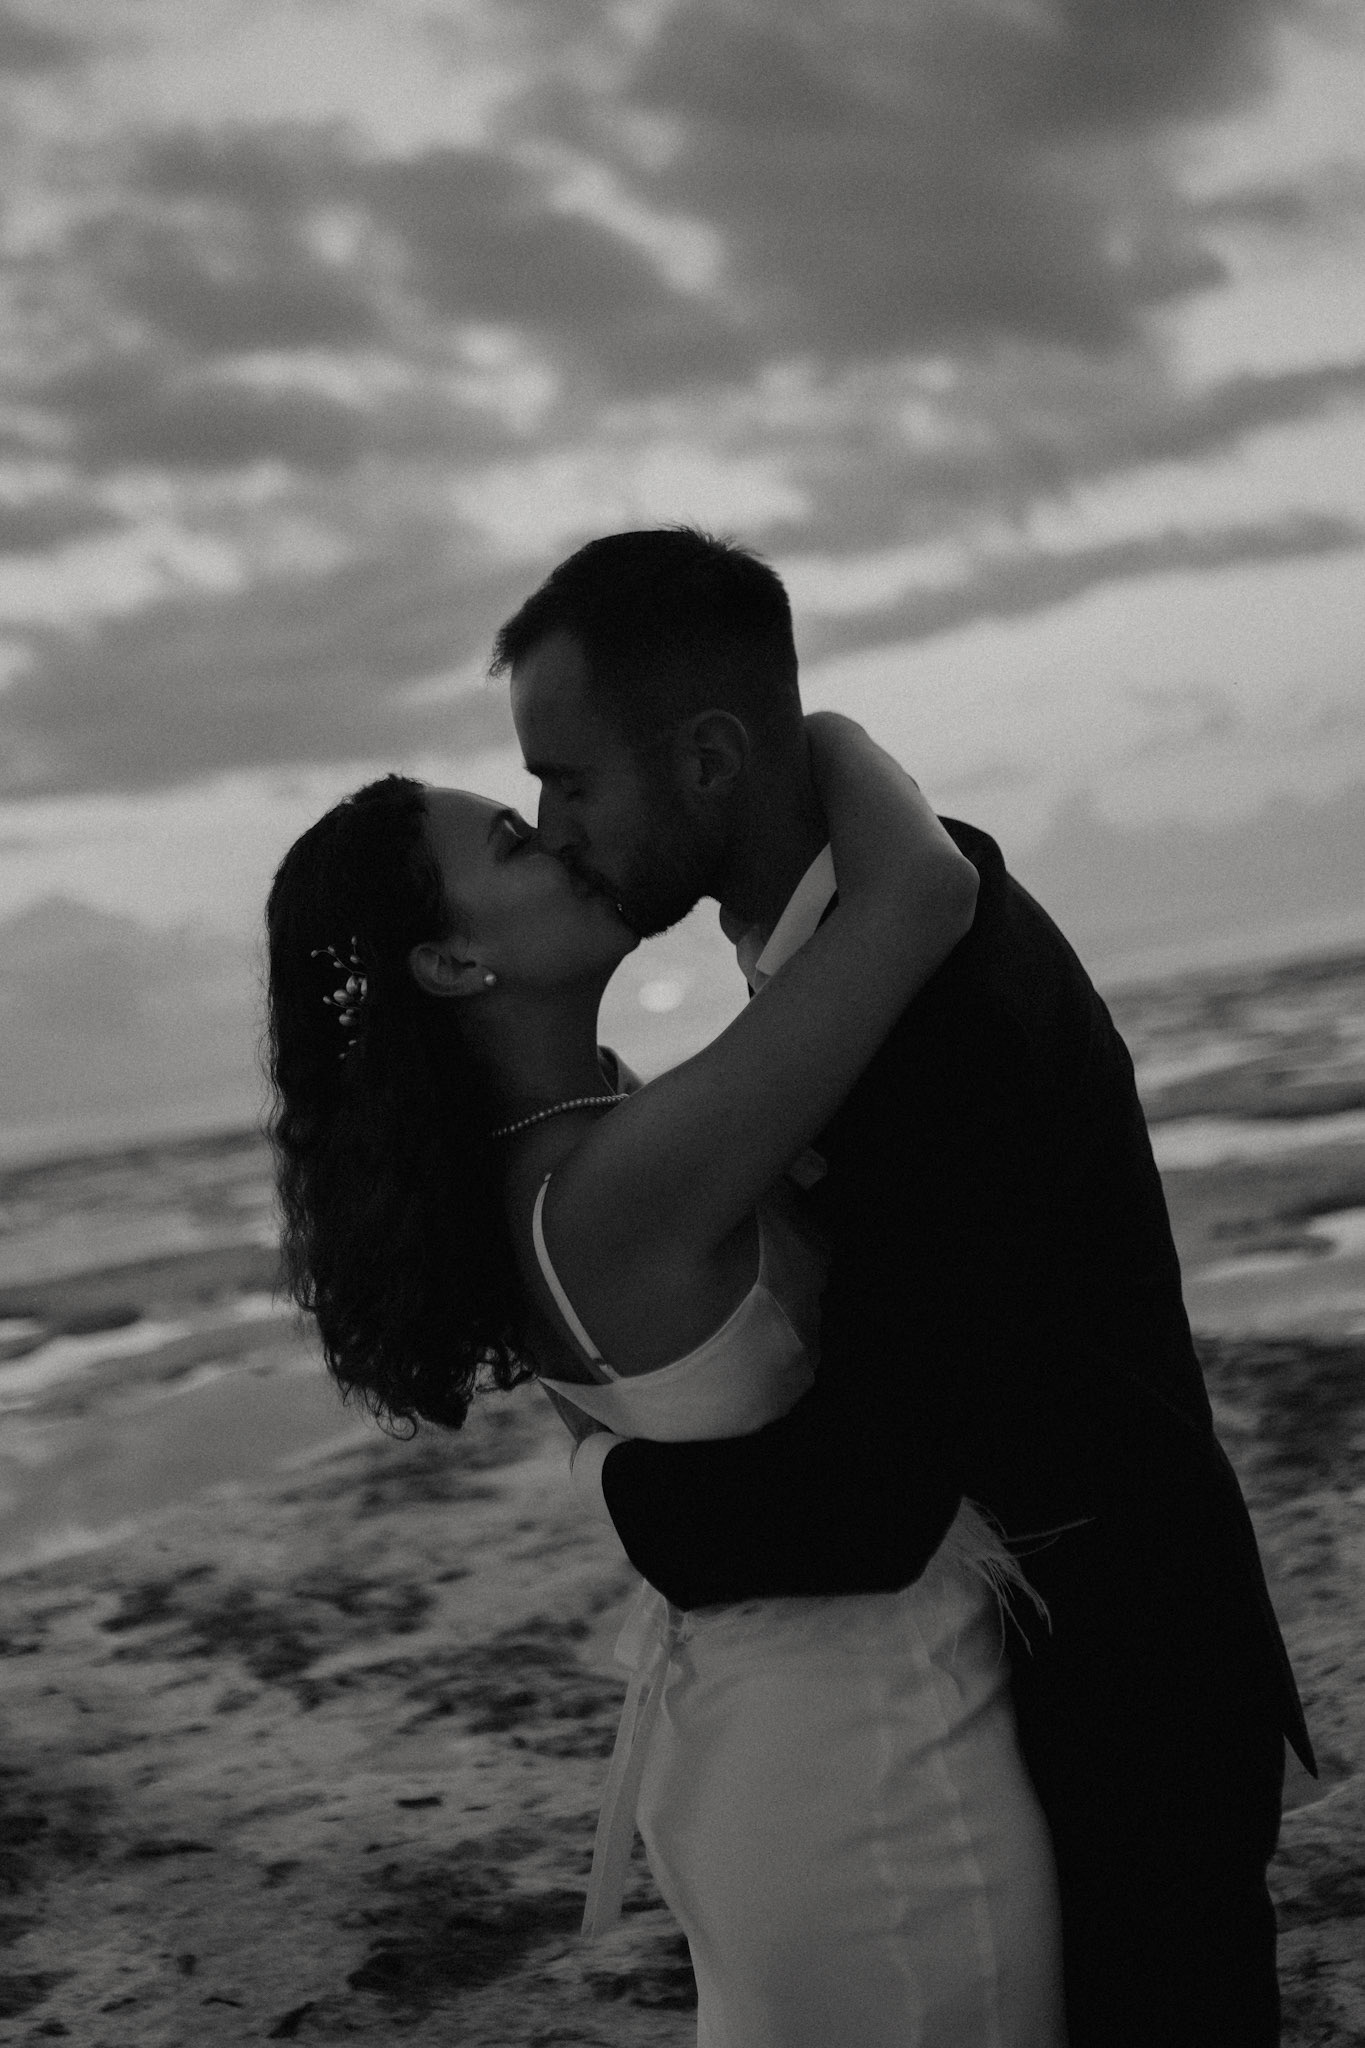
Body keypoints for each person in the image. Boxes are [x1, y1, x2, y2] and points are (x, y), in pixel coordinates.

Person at [489, 527, 1317, 2048]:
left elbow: (867, 1503)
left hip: (1122, 1698)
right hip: (1040, 1683)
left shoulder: (937, 1017)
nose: (552, 834)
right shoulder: (869, 925)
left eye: (572, 784)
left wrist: (605, 1470)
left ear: (711, 760)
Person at [264, 714, 1070, 2045]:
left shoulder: (569, 1146)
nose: (563, 839)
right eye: (514, 842)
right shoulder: (614, 1183)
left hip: (805, 1734)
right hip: (867, 1764)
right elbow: (922, 894)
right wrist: (796, 727)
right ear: (454, 961)